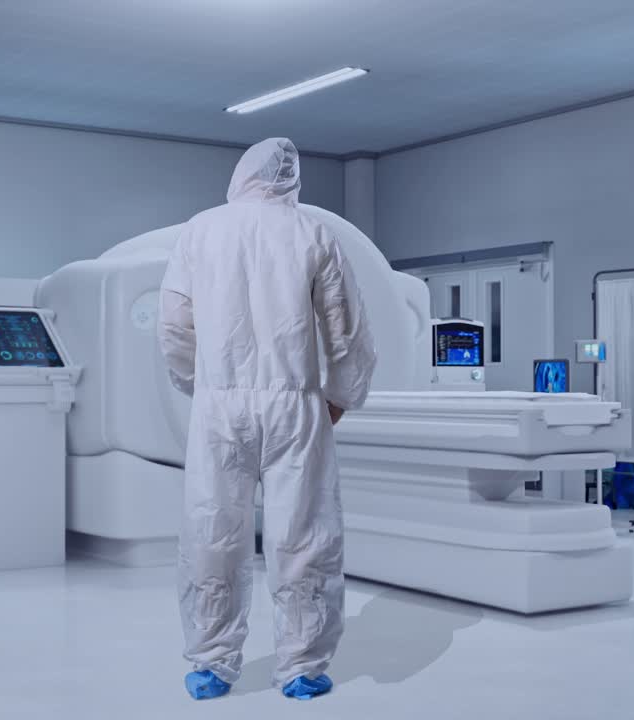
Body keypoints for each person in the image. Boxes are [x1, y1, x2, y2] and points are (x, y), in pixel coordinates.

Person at [158, 137, 376, 701]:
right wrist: (341, 395)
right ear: (291, 179)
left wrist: (197, 384)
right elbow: (344, 325)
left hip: (220, 406)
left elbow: (175, 325)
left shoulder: (200, 230)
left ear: (240, 175)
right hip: (295, 405)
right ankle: (302, 667)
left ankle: (209, 663)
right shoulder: (313, 232)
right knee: (303, 534)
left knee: (212, 530)